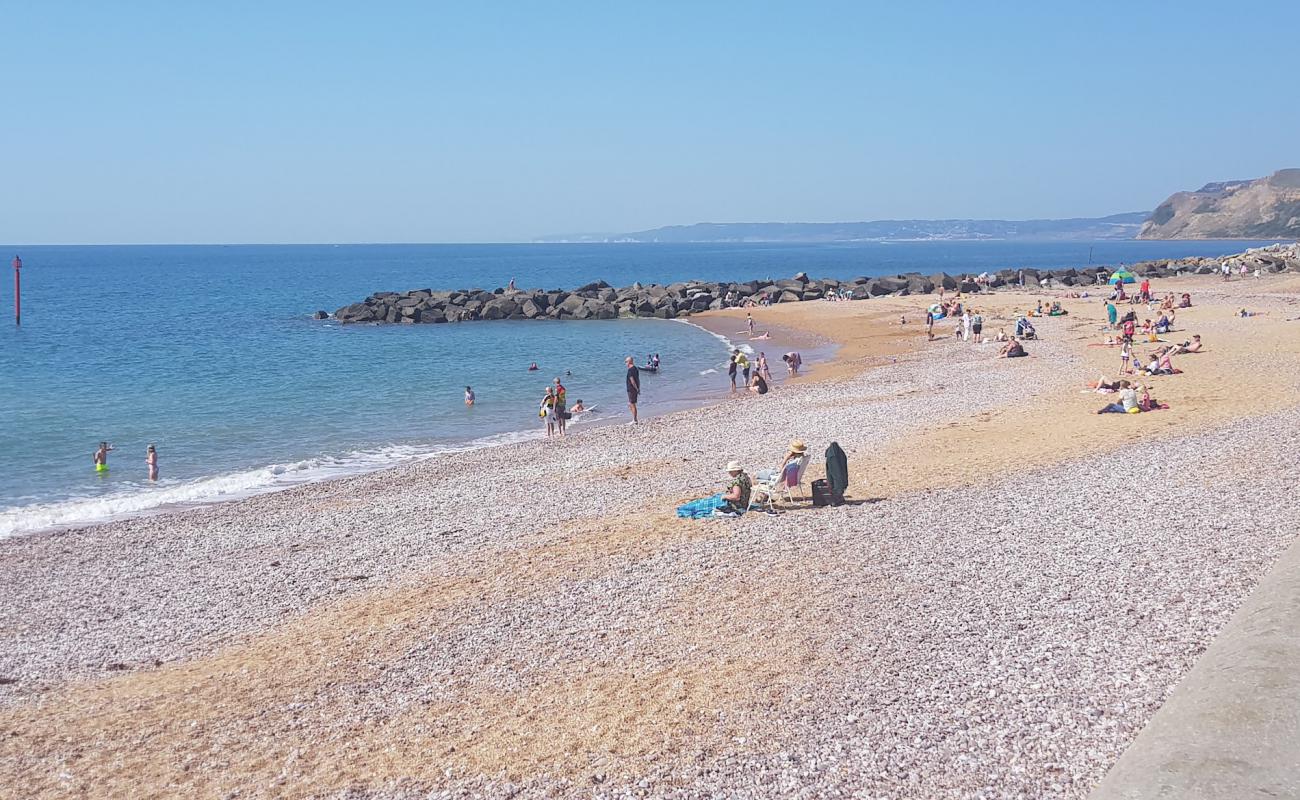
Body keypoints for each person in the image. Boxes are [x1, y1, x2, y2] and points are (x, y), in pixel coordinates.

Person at [625, 356, 640, 423]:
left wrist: (636, 388)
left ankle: (635, 419)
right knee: (631, 404)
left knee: (632, 404)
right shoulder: (636, 369)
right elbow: (638, 379)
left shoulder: (630, 370)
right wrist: (638, 388)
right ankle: (634, 418)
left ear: (629, 362)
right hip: (634, 389)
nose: (625, 363)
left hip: (631, 389)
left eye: (626, 362)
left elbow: (632, 381)